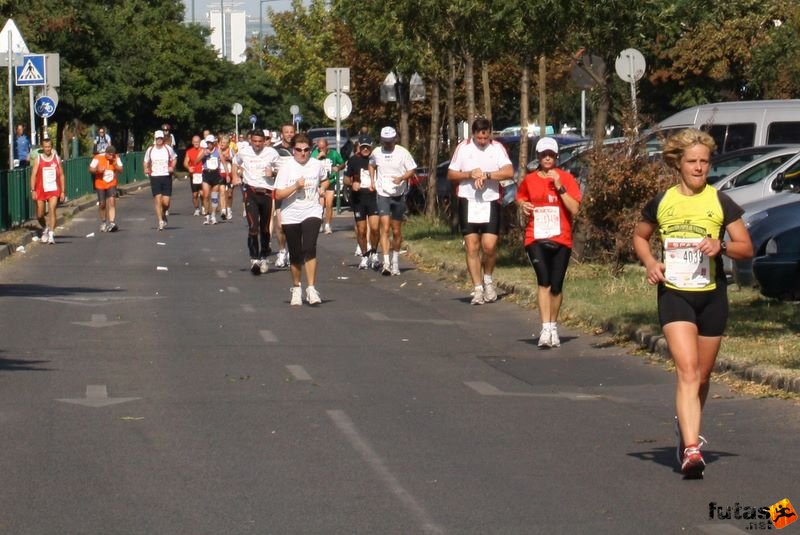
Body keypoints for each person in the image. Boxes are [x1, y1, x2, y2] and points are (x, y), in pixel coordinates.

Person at [633, 128, 752, 479]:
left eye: (704, 162)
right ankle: (691, 448)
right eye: (692, 162)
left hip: (712, 294)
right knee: (686, 370)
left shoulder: (720, 201)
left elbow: (746, 247)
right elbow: (640, 237)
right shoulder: (662, 201)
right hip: (675, 294)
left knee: (701, 375)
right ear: (678, 164)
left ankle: (687, 427)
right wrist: (651, 264)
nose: (699, 168)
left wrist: (722, 247)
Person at [516, 137, 582, 348]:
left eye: (551, 155)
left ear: (556, 156)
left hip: (561, 237)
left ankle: (553, 325)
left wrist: (560, 187)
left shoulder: (567, 178)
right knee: (543, 280)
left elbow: (575, 209)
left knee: (556, 285)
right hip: (535, 236)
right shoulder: (530, 179)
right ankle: (545, 328)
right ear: (538, 156)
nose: (547, 158)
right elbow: (521, 197)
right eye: (543, 154)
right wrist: (523, 205)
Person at [448, 117, 514, 304]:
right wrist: (469, 174)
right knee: (472, 246)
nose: (483, 141)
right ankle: (477, 288)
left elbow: (509, 172)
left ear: (490, 134)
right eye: (479, 138)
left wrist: (487, 175)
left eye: (485, 138)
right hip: (468, 200)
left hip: (490, 200)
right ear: (473, 135)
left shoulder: (497, 148)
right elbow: (451, 174)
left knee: (489, 246)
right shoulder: (463, 148)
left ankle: (488, 280)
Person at [274, 133, 328, 305]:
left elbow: (326, 180)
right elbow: (278, 194)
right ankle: (296, 288)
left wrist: (322, 188)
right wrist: (296, 186)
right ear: (293, 150)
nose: (302, 153)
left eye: (306, 150)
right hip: (291, 213)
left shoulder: (316, 164)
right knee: (296, 253)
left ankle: (311, 289)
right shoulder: (286, 167)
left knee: (310, 247)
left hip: (312, 210)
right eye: (298, 150)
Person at [370, 126, 417, 276]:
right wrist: (372, 181)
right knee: (385, 227)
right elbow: (371, 164)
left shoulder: (402, 153)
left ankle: (395, 261)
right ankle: (386, 263)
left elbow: (412, 169)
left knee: (396, 230)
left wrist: (402, 178)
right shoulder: (377, 152)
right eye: (385, 142)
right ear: (382, 140)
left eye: (390, 141)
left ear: (395, 139)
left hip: (398, 193)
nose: (388, 144)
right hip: (383, 192)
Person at [232, 129, 280, 275]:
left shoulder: (272, 153)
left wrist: (274, 173)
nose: (258, 144)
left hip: (266, 191)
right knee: (253, 226)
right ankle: (254, 258)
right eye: (255, 141)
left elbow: (281, 170)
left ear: (264, 141)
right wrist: (235, 176)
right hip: (250, 191)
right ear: (250, 140)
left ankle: (264, 255)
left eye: (261, 141)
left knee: (265, 228)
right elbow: (235, 162)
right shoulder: (244, 151)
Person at [344, 134, 380, 270]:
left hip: (373, 197)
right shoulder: (353, 160)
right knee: (361, 229)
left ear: (371, 147)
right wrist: (352, 183)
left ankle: (375, 252)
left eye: (368, 147)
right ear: (359, 146)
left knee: (375, 228)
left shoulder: (376, 160)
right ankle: (365, 255)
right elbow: (345, 179)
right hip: (359, 198)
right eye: (363, 147)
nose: (365, 149)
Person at [29, 138, 65, 244]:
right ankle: (45, 228)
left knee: (52, 209)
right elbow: (33, 175)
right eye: (45, 147)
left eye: (49, 147)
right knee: (39, 214)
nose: (47, 149)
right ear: (42, 148)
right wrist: (33, 190)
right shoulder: (38, 159)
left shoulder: (56, 158)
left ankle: (51, 234)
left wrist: (63, 191)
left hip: (53, 189)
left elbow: (62, 175)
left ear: (51, 147)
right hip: (40, 189)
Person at [272, 123, 296, 268]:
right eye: (286, 132)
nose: (289, 134)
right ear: (282, 134)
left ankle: (293, 253)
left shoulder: (300, 149)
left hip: (298, 191)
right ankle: (282, 251)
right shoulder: (275, 151)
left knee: (295, 226)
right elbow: (269, 166)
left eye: (291, 132)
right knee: (280, 225)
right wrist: (272, 173)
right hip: (281, 190)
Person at [143, 130, 177, 230]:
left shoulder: (168, 149)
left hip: (166, 176)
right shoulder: (150, 150)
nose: (159, 140)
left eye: (161, 138)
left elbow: (174, 158)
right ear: (155, 139)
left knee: (166, 202)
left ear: (163, 139)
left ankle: (163, 213)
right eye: (157, 138)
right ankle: (160, 221)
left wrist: (172, 167)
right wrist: (145, 168)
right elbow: (145, 161)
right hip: (155, 176)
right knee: (157, 199)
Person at [311, 138, 345, 234]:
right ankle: (319, 223)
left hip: (330, 180)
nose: (321, 149)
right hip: (319, 182)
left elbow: (342, 164)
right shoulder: (315, 153)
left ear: (327, 146)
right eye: (319, 147)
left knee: (329, 204)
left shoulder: (333, 154)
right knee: (320, 205)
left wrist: (338, 167)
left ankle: (328, 225)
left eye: (323, 147)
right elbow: (309, 164)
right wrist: (318, 157)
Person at [88, 144, 123, 232]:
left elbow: (121, 169)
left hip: (111, 183)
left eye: (113, 155)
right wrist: (97, 170)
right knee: (102, 204)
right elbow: (90, 169)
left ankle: (112, 222)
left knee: (112, 201)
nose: (111, 157)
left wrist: (115, 165)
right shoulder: (98, 157)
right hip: (100, 184)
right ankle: (104, 221)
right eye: (109, 155)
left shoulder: (116, 158)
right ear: (106, 153)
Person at [200, 134, 224, 225]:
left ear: (214, 143)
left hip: (215, 174)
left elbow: (223, 162)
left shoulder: (218, 151)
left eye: (210, 143)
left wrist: (227, 174)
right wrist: (203, 155)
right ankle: (206, 215)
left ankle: (213, 215)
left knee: (214, 196)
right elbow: (196, 161)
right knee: (206, 196)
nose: (209, 145)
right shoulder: (204, 151)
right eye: (208, 143)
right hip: (206, 173)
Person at [184, 135, 204, 216]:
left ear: (200, 142)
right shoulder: (189, 152)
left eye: (198, 142)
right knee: (195, 194)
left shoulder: (203, 151)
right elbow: (185, 162)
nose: (196, 143)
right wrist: (188, 167)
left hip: (202, 174)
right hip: (194, 175)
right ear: (192, 142)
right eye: (195, 142)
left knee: (203, 193)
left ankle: (203, 207)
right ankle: (196, 209)